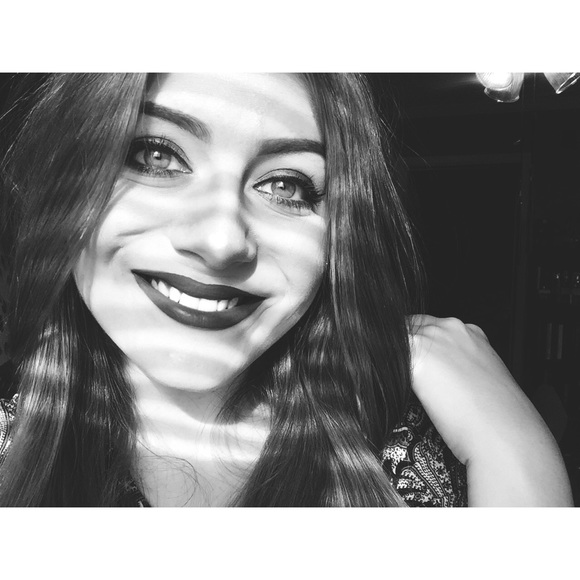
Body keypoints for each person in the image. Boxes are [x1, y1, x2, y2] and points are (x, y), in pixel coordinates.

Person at [0, 73, 572, 507]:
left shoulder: (401, 458)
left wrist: (508, 443)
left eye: (285, 185)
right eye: (156, 155)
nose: (222, 240)